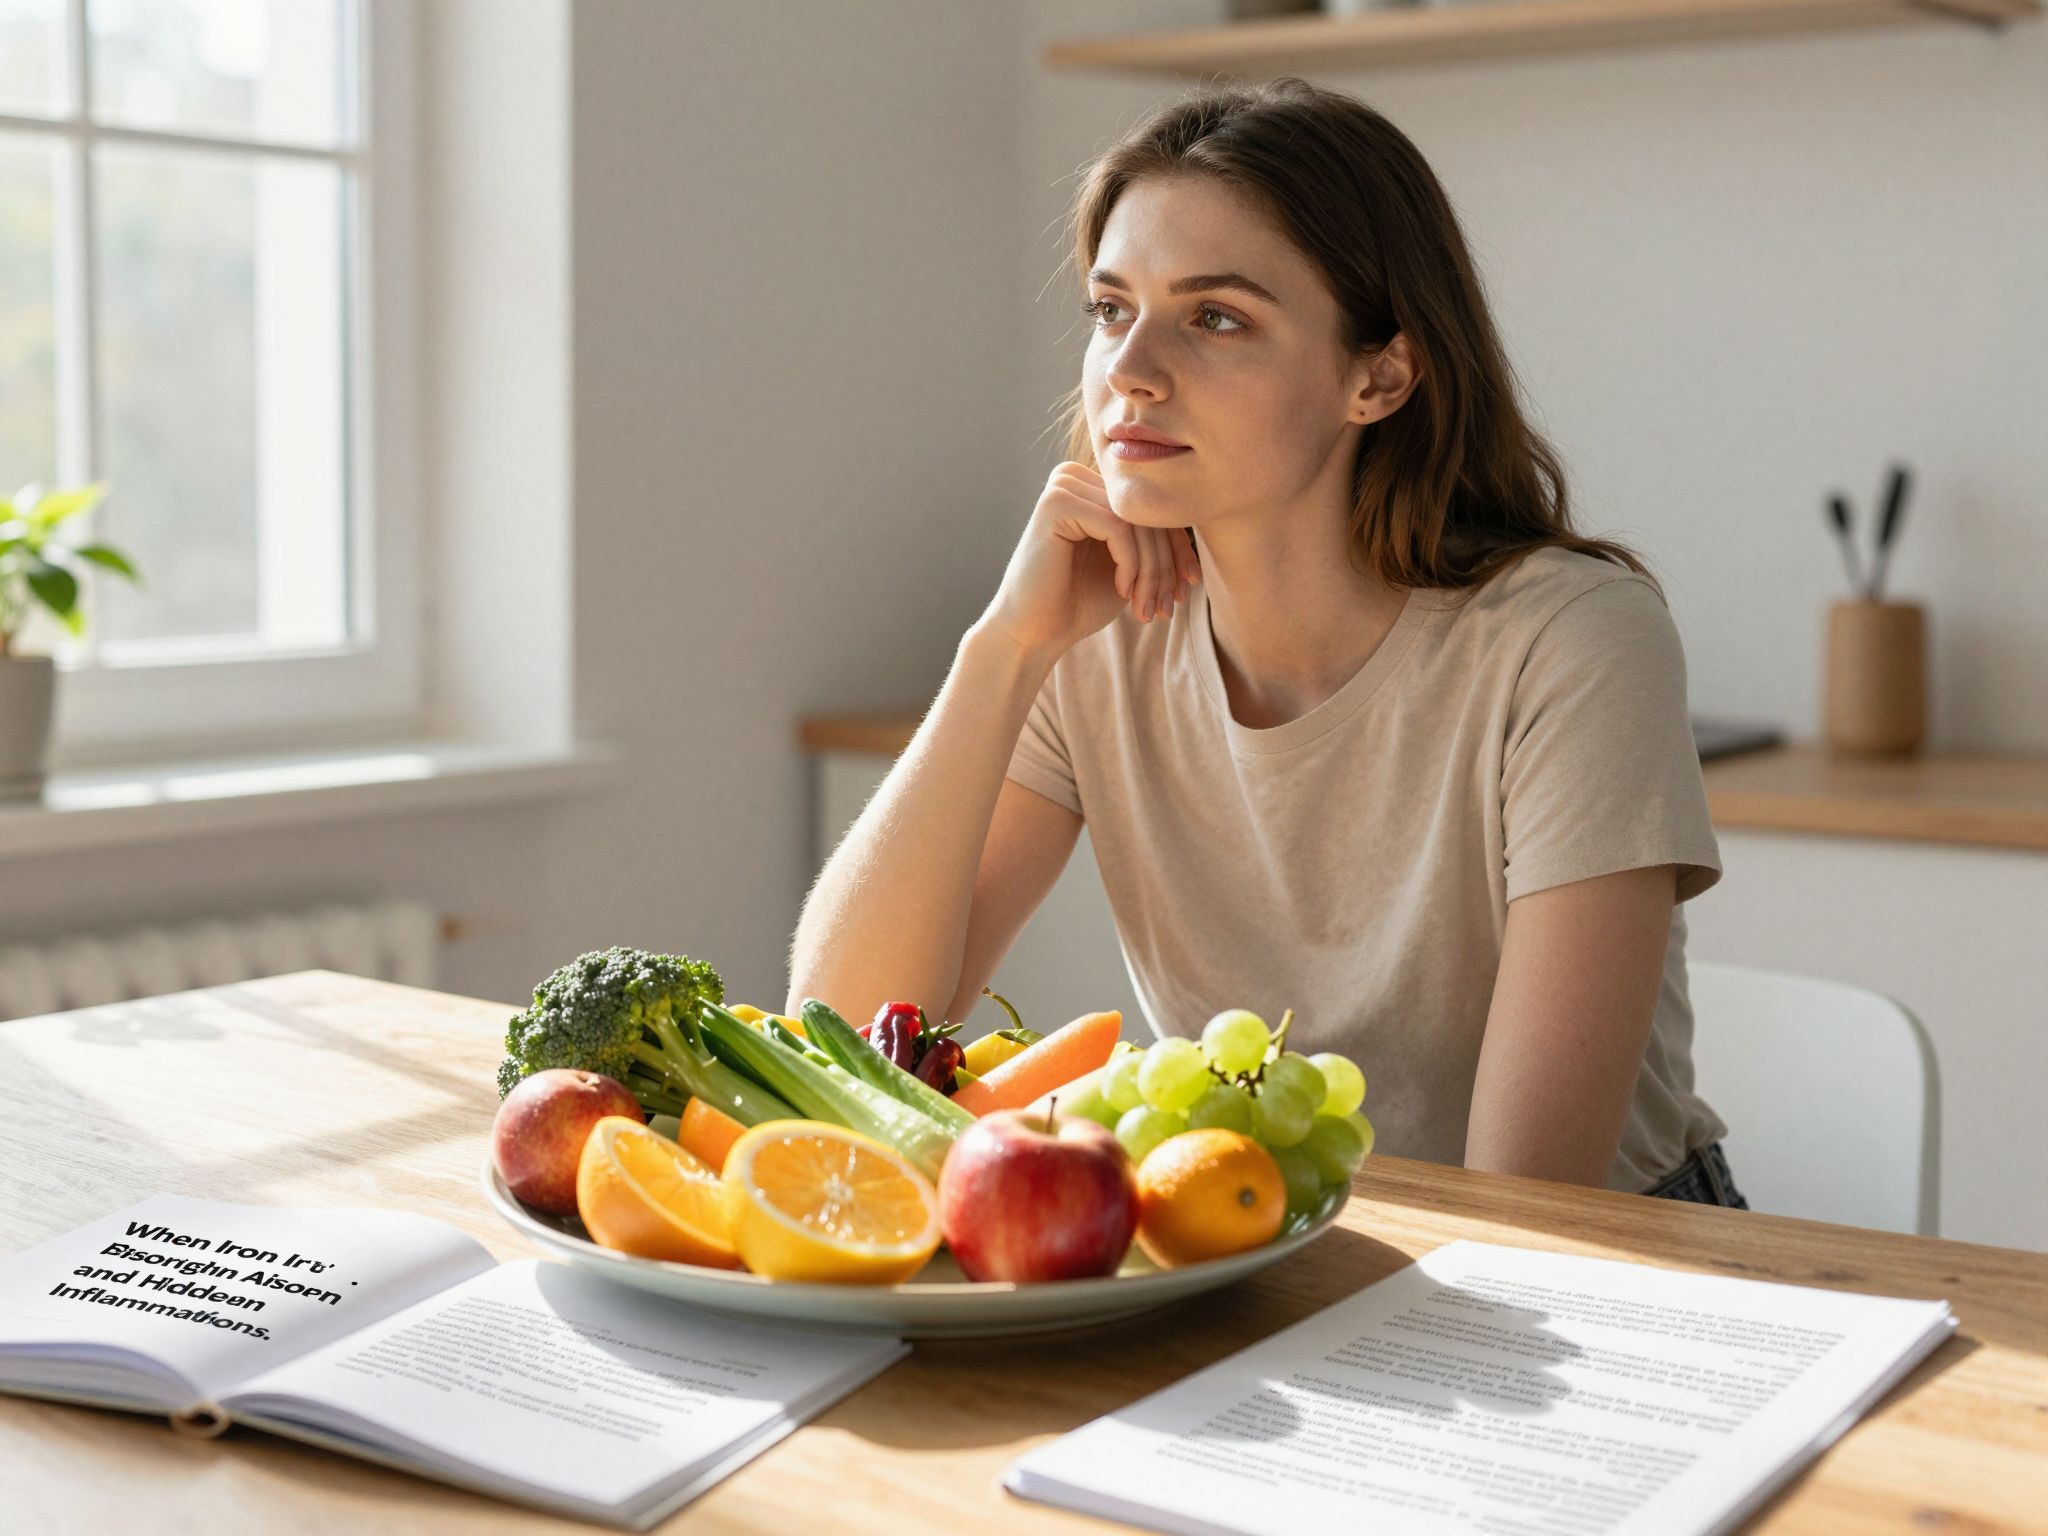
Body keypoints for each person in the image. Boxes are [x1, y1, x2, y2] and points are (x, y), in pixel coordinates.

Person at [788, 78, 1748, 1209]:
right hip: (1260, 1239)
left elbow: (1527, 1199)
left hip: (1583, 1265)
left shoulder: (1571, 643)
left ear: (1377, 375)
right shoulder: (1092, 636)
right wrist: (1001, 650)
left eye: (1216, 318)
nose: (1129, 372)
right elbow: (840, 1049)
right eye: (1110, 310)